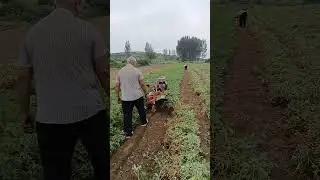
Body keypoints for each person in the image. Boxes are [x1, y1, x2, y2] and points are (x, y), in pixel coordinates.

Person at [16, 0, 109, 179]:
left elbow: (22, 78)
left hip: (50, 118)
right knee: (103, 165)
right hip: (90, 113)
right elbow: (104, 73)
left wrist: (24, 113)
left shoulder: (33, 33)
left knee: (56, 172)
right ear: (77, 3)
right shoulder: (89, 30)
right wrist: (111, 96)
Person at [115, 56, 149, 138]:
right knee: (141, 109)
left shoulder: (120, 72)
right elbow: (142, 84)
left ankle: (128, 133)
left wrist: (118, 97)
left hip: (126, 98)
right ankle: (144, 122)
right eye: (135, 63)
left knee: (127, 114)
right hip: (137, 95)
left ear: (128, 62)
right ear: (133, 62)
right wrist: (146, 93)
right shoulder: (137, 71)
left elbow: (117, 86)